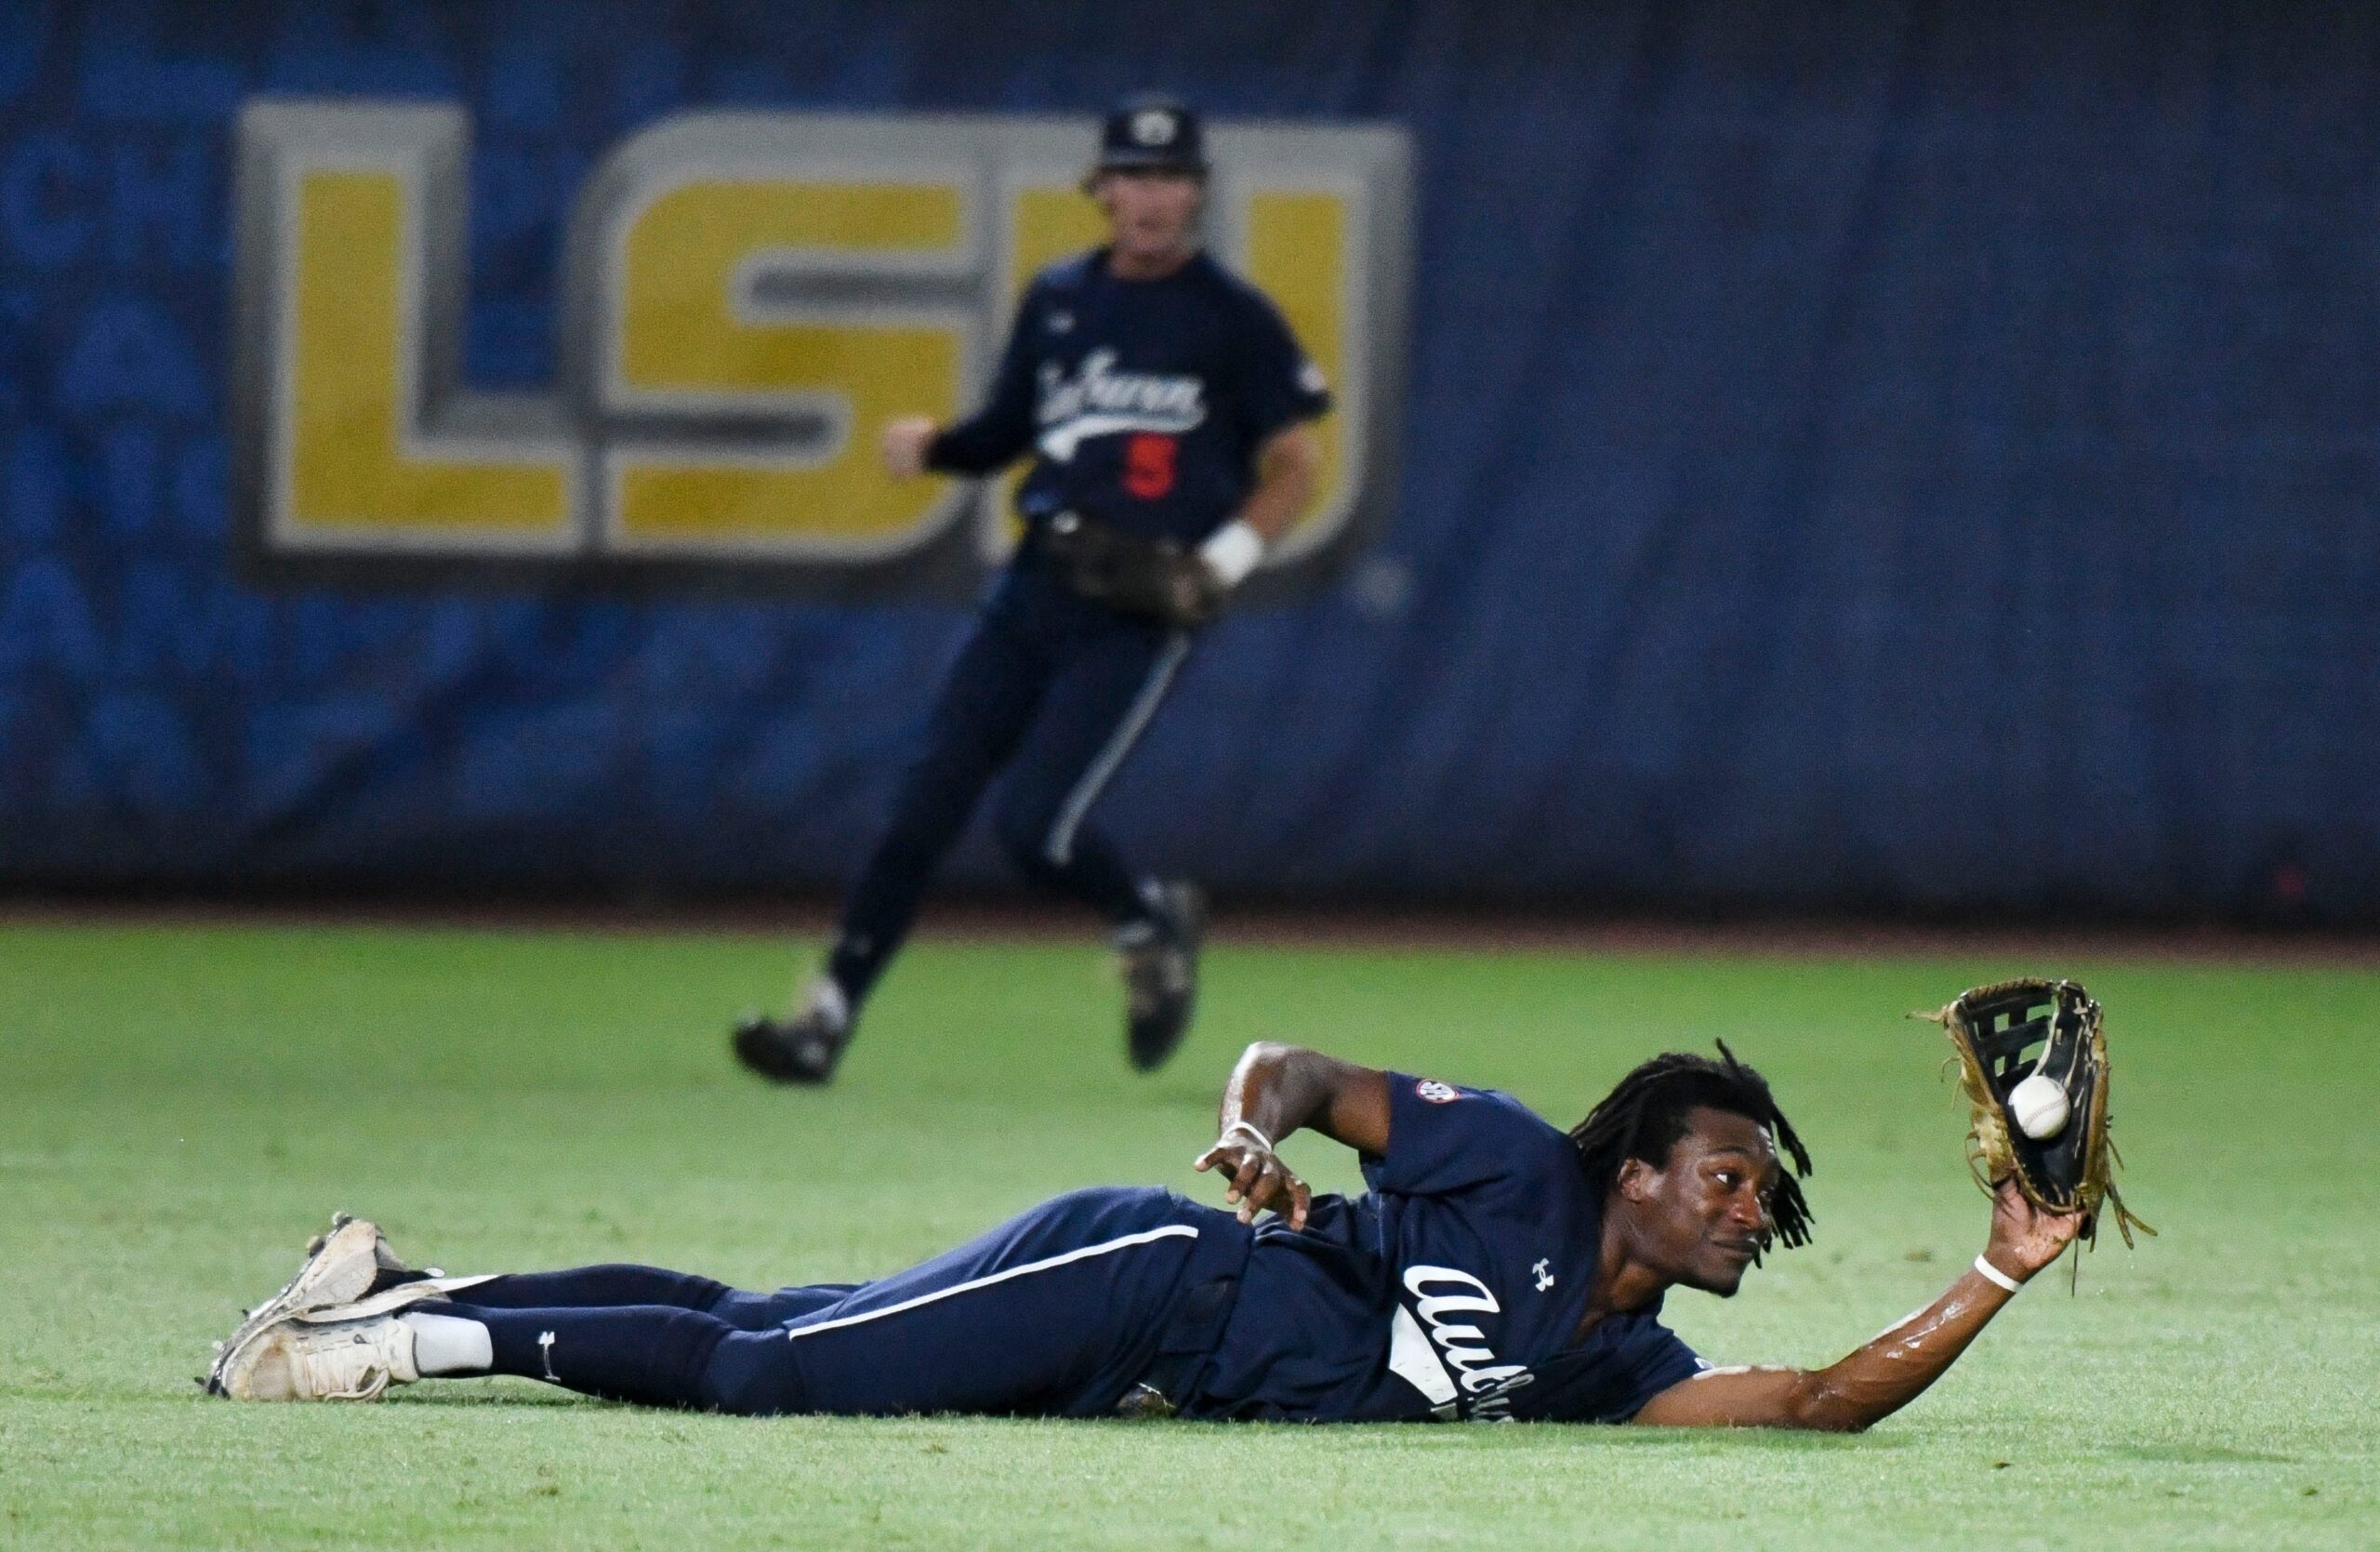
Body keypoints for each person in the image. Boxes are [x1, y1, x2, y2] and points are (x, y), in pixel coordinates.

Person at [209, 1041, 2082, 1428]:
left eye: (1759, 1189)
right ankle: (381, 1355)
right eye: (1731, 1174)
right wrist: (1238, 1134)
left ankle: (399, 1282)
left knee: (755, 1316)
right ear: (1645, 1172)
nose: (1755, 1205)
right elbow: (1285, 1065)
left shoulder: (1616, 1360)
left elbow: (1821, 1403)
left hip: (1143, 1365)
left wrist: (1996, 1268)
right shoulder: (1510, 1160)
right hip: (1148, 1277)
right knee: (767, 1379)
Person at [732, 93, 1330, 1084]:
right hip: (1037, 582)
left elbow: (1296, 466)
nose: (1150, 196)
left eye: (1170, 176)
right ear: (1099, 189)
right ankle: (825, 1021)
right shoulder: (1060, 296)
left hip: (1140, 608)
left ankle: (1147, 919)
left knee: (1033, 827)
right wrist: (938, 448)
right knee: (921, 808)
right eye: (1131, 176)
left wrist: (1220, 562)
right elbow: (1010, 428)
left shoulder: (1230, 319)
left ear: (1197, 192)